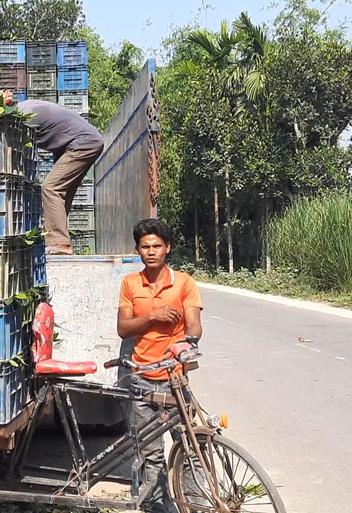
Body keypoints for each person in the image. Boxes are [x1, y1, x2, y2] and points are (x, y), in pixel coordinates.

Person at [116, 218, 203, 512]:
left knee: (191, 448)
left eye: (156, 246)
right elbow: (124, 328)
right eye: (145, 247)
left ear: (167, 248)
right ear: (138, 251)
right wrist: (152, 316)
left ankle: (195, 504)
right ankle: (157, 508)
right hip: (141, 379)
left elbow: (194, 325)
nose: (151, 251)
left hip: (174, 380)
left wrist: (186, 342)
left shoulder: (184, 283)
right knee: (149, 454)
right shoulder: (130, 283)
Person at [16, 97, 103, 255]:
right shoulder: (25, 108)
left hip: (83, 144)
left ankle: (59, 243)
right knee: (62, 193)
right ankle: (59, 239)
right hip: (77, 143)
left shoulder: (25, 116)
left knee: (51, 188)